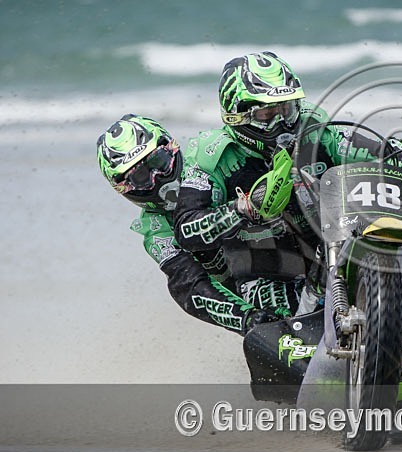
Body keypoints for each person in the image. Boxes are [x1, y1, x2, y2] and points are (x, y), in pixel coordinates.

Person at [173, 51, 402, 317]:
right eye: (268, 114)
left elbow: (382, 151)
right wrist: (245, 208)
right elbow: (186, 231)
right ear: (236, 114)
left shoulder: (316, 130)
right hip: (268, 267)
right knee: (269, 307)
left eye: (287, 109)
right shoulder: (208, 159)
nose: (282, 123)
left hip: (334, 241)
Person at [96, 114, 280, 336]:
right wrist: (246, 319)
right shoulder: (157, 232)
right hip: (255, 286)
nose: (158, 178)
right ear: (124, 188)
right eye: (142, 177)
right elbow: (189, 286)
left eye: (158, 162)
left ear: (171, 148)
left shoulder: (209, 157)